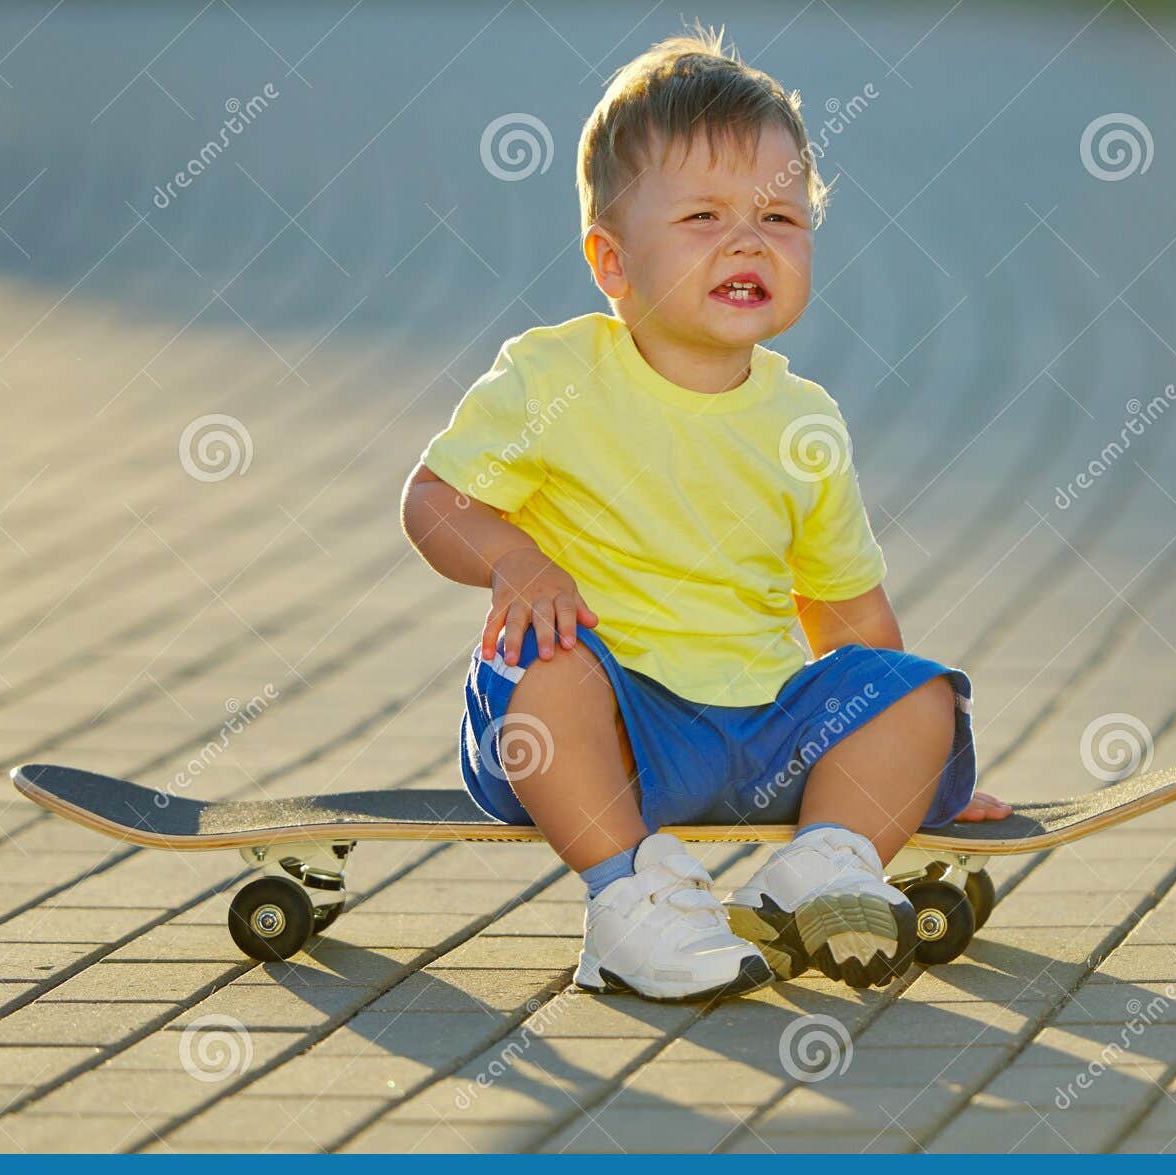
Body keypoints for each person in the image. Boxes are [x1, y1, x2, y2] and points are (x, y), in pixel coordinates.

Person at [402, 26, 1009, 1002]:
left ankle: (823, 868)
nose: (747, 240)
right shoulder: (552, 377)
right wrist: (514, 559)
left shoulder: (803, 421)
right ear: (612, 261)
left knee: (920, 692)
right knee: (546, 665)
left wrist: (903, 773)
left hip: (759, 732)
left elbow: (848, 614)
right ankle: (628, 902)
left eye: (779, 215)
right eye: (702, 217)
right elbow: (435, 500)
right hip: (599, 734)